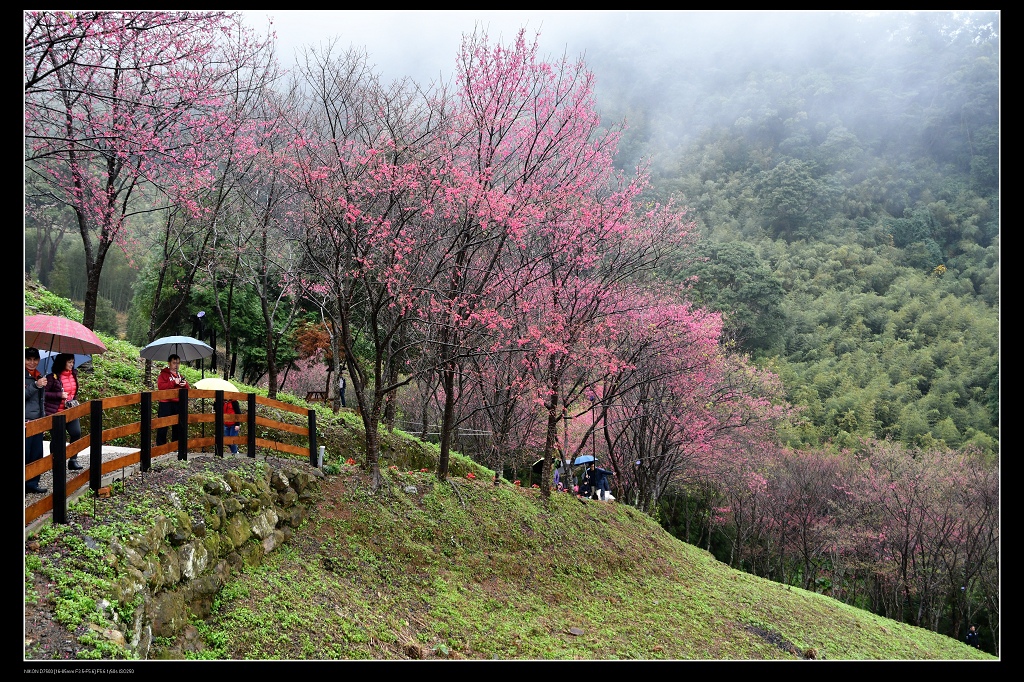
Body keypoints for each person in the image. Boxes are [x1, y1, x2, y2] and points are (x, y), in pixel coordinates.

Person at [44, 353, 84, 470]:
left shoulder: (74, 375)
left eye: (73, 362)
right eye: (69, 362)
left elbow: (74, 393)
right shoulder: (52, 377)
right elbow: (44, 394)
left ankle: (73, 460)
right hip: (56, 412)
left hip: (70, 411)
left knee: (76, 433)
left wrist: (74, 402)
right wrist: (58, 395)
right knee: (58, 439)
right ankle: (55, 462)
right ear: (62, 362)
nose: (72, 364)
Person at [25, 348, 48, 494]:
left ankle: (32, 484)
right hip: (25, 421)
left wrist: (43, 419)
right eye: (28, 359)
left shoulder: (39, 376)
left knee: (36, 454)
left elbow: (41, 401)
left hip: (37, 421)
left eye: (35, 359)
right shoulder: (34, 380)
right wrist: (36, 385)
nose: (32, 362)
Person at [156, 354, 189, 446]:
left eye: (178, 363)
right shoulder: (164, 374)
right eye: (174, 363)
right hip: (166, 403)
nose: (176, 365)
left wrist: (184, 384)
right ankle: (160, 446)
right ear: (169, 363)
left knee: (178, 426)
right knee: (163, 425)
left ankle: (175, 446)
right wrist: (174, 382)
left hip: (177, 403)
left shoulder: (179, 375)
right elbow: (161, 387)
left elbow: (188, 389)